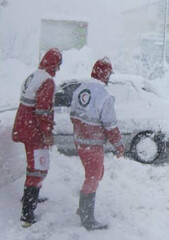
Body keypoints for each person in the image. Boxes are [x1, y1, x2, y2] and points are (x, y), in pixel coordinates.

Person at [70, 57, 124, 230]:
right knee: (93, 177)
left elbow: (73, 114)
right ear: (105, 75)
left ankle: (83, 208)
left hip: (80, 142)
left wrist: (81, 130)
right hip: (92, 144)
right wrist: (118, 145)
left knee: (97, 173)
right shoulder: (104, 96)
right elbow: (111, 125)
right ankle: (87, 218)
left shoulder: (80, 88)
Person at [11, 48, 62, 227]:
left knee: (33, 165)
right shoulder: (47, 81)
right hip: (34, 130)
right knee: (38, 167)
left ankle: (29, 196)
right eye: (58, 65)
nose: (58, 69)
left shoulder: (34, 75)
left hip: (23, 126)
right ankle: (28, 213)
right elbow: (43, 111)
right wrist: (47, 133)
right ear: (54, 64)